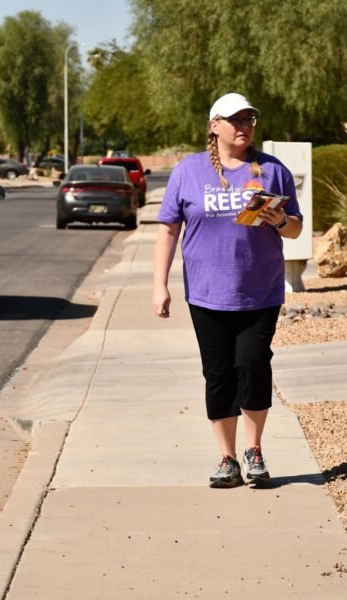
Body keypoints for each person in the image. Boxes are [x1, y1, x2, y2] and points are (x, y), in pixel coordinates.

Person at [153, 92, 303, 488]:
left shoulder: (272, 170)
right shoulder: (188, 171)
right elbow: (168, 231)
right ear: (214, 126)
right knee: (218, 374)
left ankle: (254, 451)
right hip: (205, 293)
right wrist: (159, 286)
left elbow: (296, 229)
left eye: (249, 119)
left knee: (252, 363)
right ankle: (227, 458)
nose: (244, 126)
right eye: (234, 120)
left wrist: (279, 219)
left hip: (260, 291)